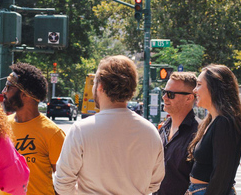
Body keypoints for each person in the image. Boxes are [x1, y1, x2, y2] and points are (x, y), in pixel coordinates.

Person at [54, 55, 164, 195]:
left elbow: (62, 184)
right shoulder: (151, 132)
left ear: (100, 86)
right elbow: (154, 184)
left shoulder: (80, 130)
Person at [0, 62, 65, 195]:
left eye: (8, 87)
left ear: (25, 95)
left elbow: (65, 182)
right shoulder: (1, 127)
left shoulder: (53, 133)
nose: (3, 92)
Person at [187, 65, 241, 195]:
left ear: (214, 88)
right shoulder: (212, 121)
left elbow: (221, 175)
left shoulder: (224, 123)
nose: (194, 90)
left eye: (199, 85)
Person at [154, 72, 199, 195]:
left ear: (189, 98)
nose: (164, 97)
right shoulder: (163, 128)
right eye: (164, 92)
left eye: (170, 94)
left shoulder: (199, 134)